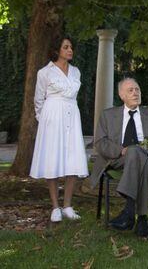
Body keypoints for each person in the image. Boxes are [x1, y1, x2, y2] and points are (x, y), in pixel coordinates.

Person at [90, 78, 148, 237]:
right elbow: (100, 142)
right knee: (133, 153)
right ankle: (141, 220)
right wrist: (121, 150)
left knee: (138, 156)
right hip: (117, 158)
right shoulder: (108, 115)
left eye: (137, 89)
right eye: (130, 90)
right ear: (121, 95)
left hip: (145, 156)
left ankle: (129, 212)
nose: (135, 93)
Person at [30, 37, 88, 222]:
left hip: (72, 115)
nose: (70, 49)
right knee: (52, 159)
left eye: (71, 46)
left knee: (73, 159)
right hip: (52, 118)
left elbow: (73, 95)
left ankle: (68, 206)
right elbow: (38, 100)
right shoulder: (44, 73)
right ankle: (55, 207)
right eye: (66, 47)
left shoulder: (76, 72)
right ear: (57, 50)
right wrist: (45, 121)